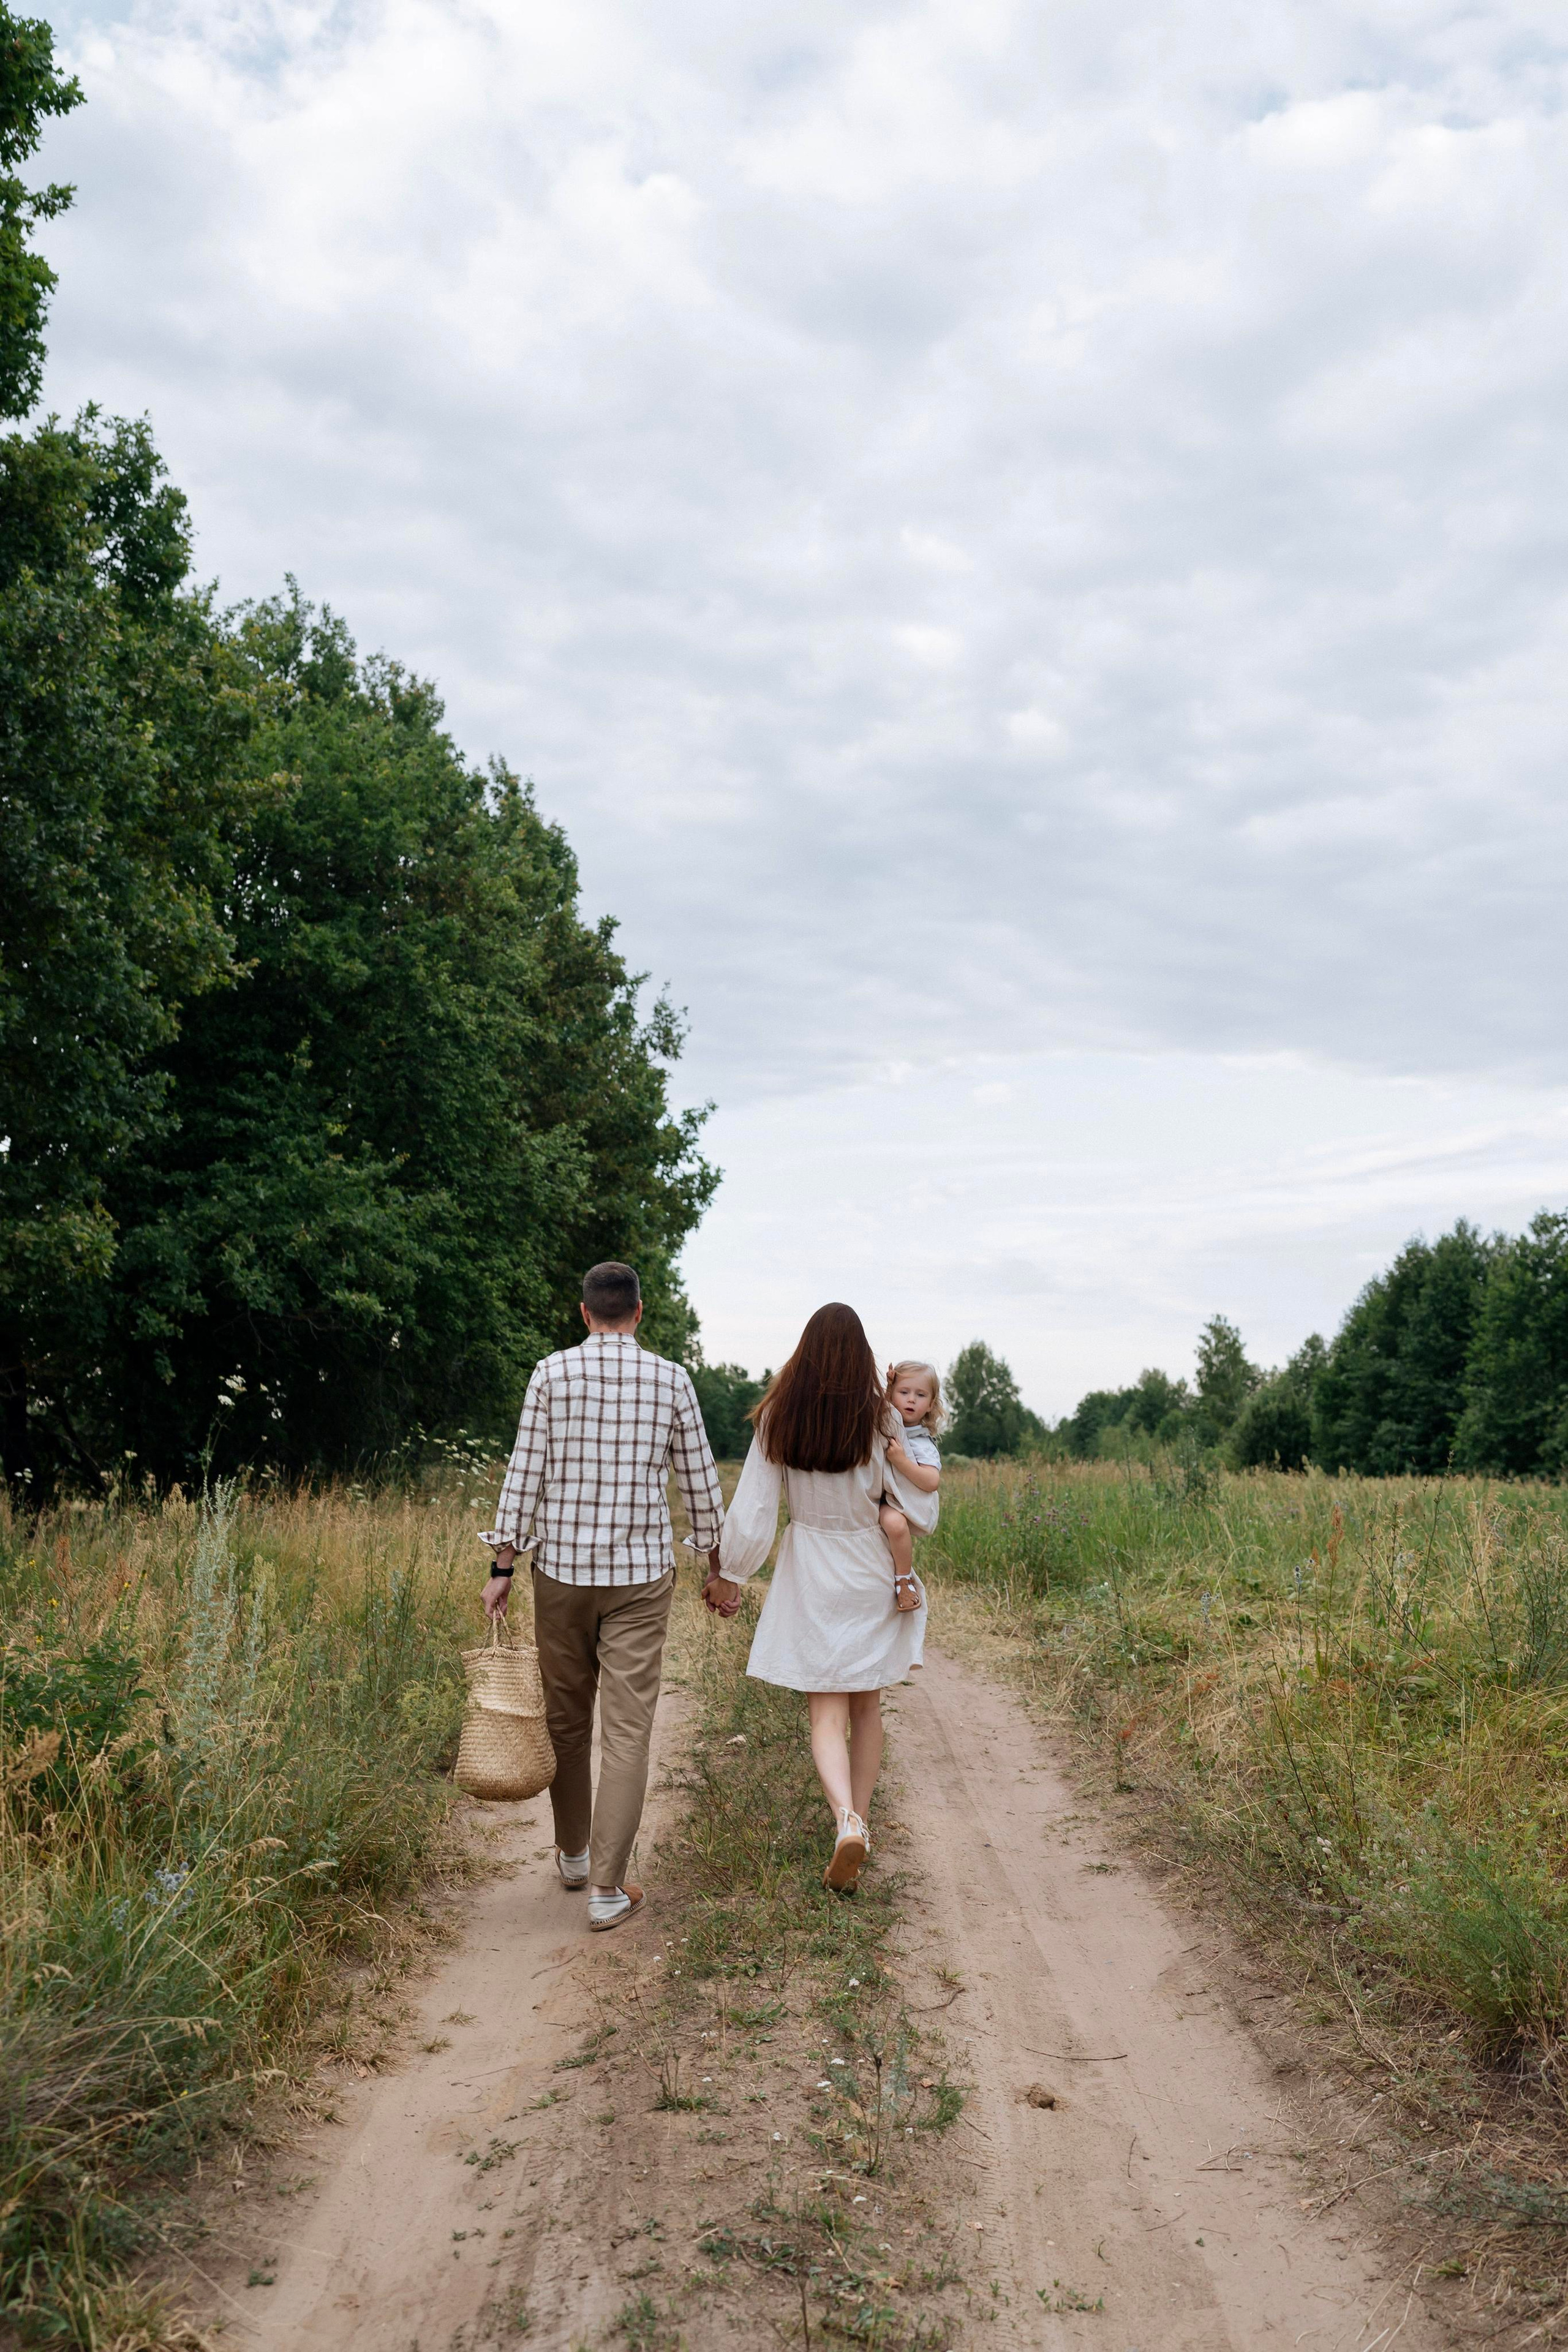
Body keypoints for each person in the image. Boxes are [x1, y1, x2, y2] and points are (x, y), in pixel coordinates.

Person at [481, 1262, 724, 1932]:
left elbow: (523, 1473)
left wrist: (503, 1566)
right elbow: (699, 1482)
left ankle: (573, 1854)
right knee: (627, 1730)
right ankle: (608, 1892)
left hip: (560, 1575)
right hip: (641, 1578)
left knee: (566, 1720)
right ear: (639, 1313)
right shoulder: (671, 1379)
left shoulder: (550, 1374)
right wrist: (714, 1562)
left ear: (584, 1313)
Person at [703, 1303, 938, 1893]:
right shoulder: (882, 1418)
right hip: (867, 1564)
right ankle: (861, 1822)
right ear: (863, 1354)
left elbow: (756, 1506)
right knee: (867, 1709)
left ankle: (845, 1822)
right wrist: (891, 1511)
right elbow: (917, 1506)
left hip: (811, 1564)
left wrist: (731, 1572)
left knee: (825, 1714)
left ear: (804, 1350)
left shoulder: (779, 1415)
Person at [880, 1359, 943, 1616]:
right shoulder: (884, 1421)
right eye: (904, 1392)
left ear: (930, 1405)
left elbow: (931, 1482)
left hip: (899, 1503)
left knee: (895, 1525)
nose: (911, 1400)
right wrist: (887, 1385)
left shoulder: (921, 1442)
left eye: (920, 1395)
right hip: (875, 1495)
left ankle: (904, 1581)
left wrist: (902, 1461)